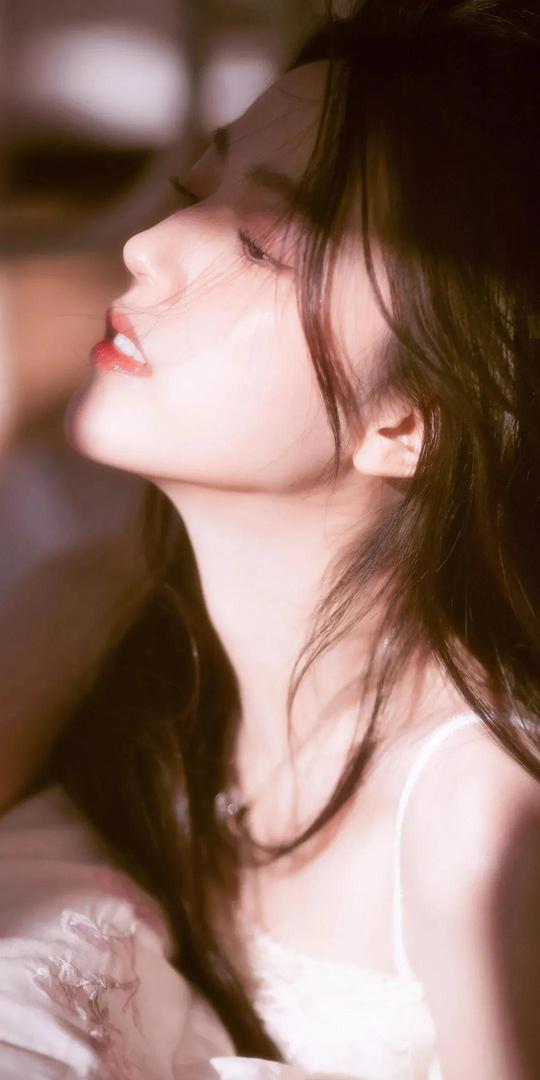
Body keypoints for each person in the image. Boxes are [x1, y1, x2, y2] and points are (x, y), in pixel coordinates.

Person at [1, 1, 539, 1076]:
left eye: (257, 243)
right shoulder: (105, 610)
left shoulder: (481, 823)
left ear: (411, 422)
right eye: (194, 189)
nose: (147, 244)